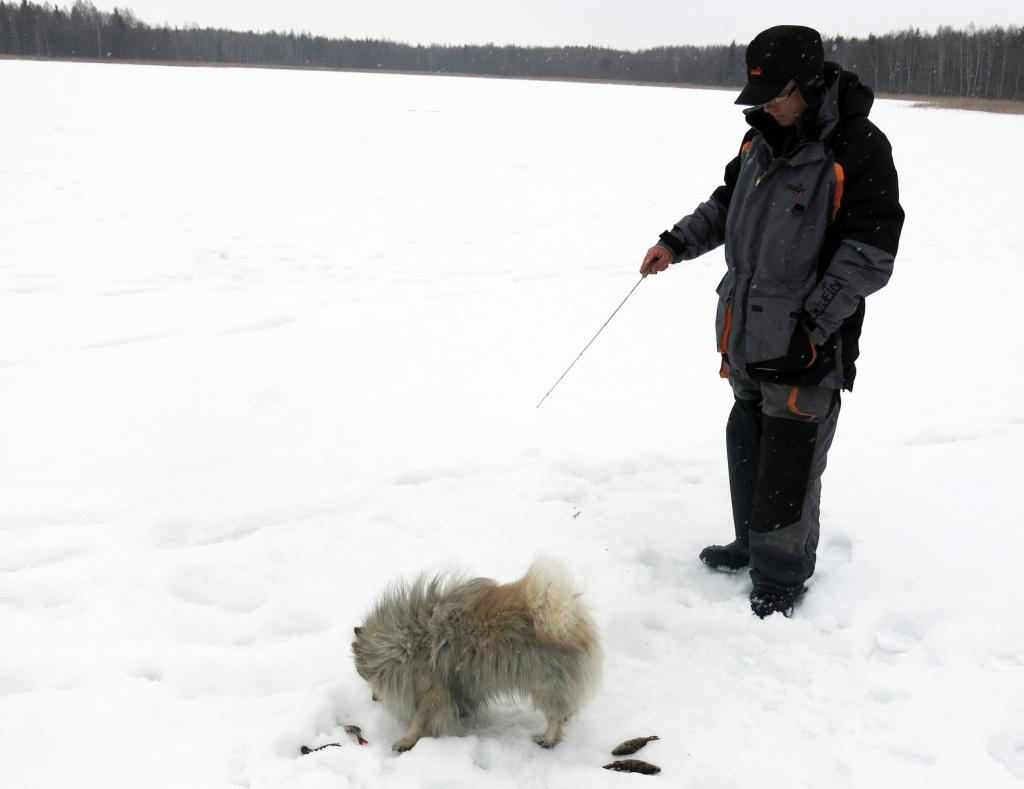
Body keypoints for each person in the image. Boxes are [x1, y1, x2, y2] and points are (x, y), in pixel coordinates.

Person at [640, 25, 904, 618]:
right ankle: (750, 543)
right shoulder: (758, 140)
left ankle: (782, 576)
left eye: (775, 94)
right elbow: (726, 206)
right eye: (756, 95)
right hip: (745, 334)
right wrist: (675, 243)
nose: (763, 106)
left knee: (791, 457)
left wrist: (810, 331)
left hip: (806, 347)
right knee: (749, 440)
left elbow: (870, 254)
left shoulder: (859, 147)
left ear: (809, 84)